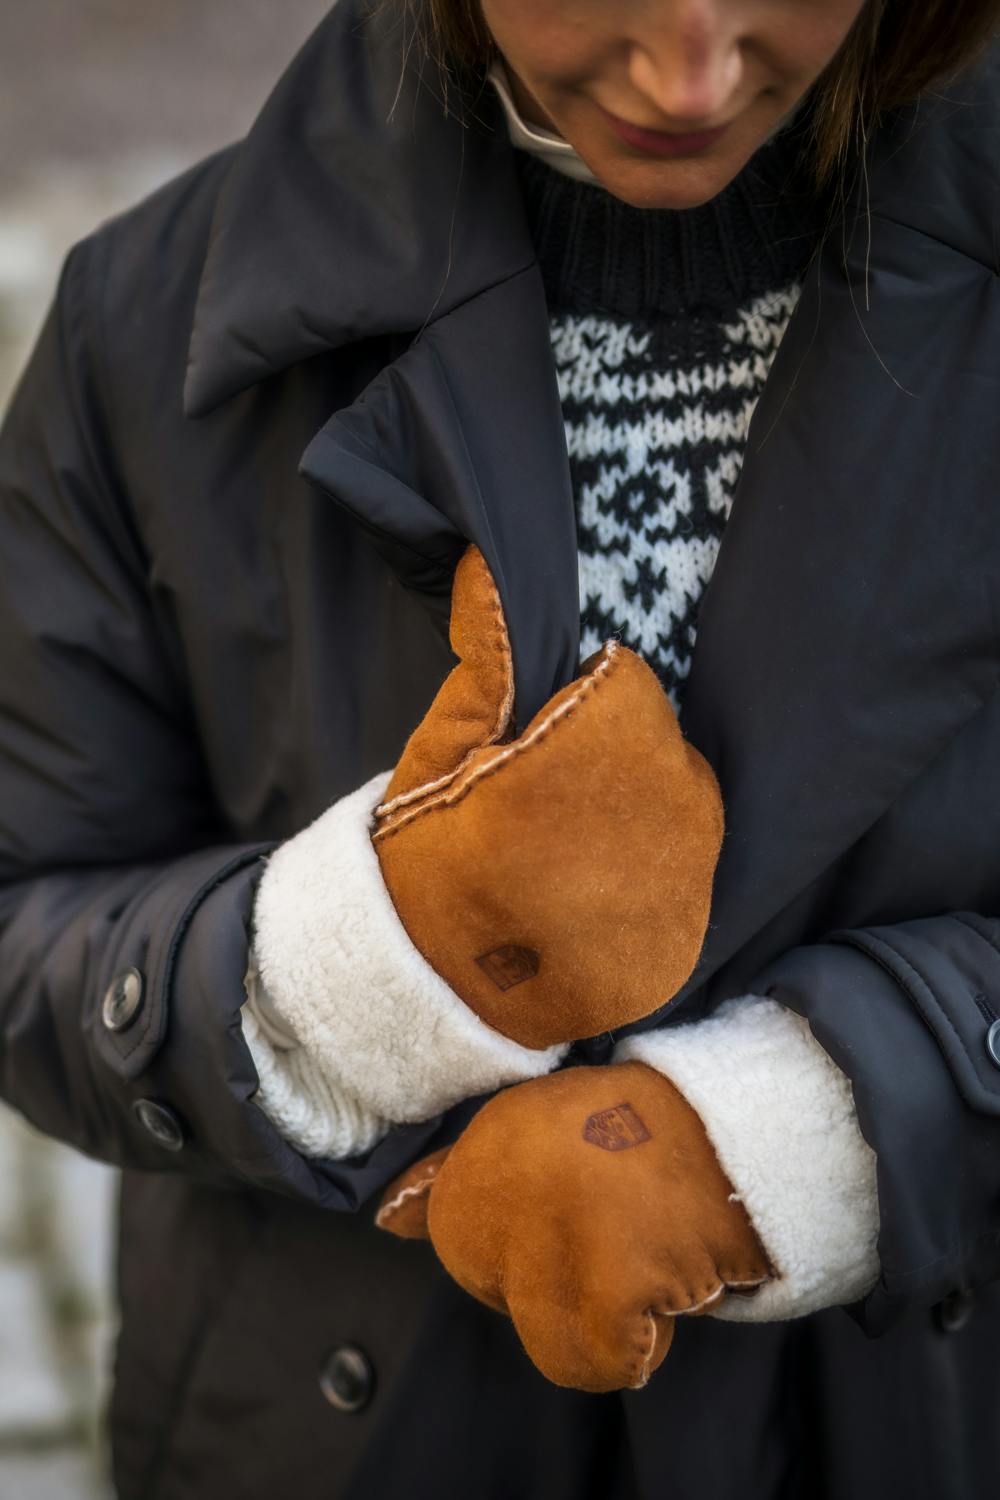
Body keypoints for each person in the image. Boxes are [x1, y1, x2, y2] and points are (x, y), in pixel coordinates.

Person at [1, 0, 999, 1495]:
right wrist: (346, 973)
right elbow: (31, 910)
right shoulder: (147, 333)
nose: (692, 74)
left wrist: (814, 1128)